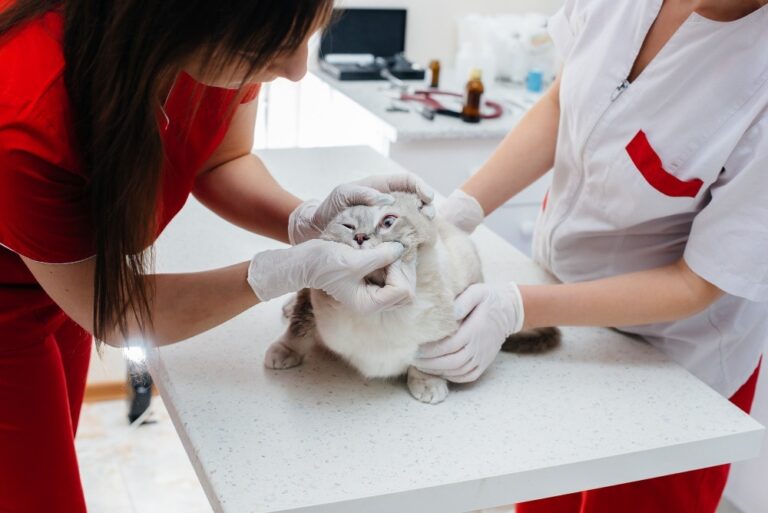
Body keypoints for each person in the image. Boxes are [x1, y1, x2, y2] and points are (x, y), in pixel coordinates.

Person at [0, 1, 433, 511]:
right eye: (266, 49)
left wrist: (303, 220)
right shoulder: (25, 119)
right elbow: (115, 313)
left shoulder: (221, 35)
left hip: (67, 274)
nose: (296, 71)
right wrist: (274, 274)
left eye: (309, 35)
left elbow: (221, 160)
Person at [416, 1, 768, 512]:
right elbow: (562, 102)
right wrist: (459, 211)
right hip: (567, 322)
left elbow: (696, 284)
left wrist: (516, 308)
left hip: (674, 370)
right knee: (541, 496)